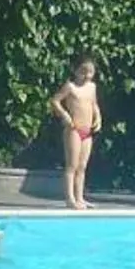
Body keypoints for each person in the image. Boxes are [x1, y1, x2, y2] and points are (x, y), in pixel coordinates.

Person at [50, 57, 102, 210]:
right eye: (83, 71)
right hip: (74, 129)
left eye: (90, 72)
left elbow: (94, 104)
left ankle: (80, 197)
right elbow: (55, 101)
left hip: (87, 131)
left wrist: (98, 118)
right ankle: (70, 198)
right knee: (72, 165)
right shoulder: (70, 87)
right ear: (76, 71)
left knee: (82, 166)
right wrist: (65, 115)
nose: (87, 75)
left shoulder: (92, 87)